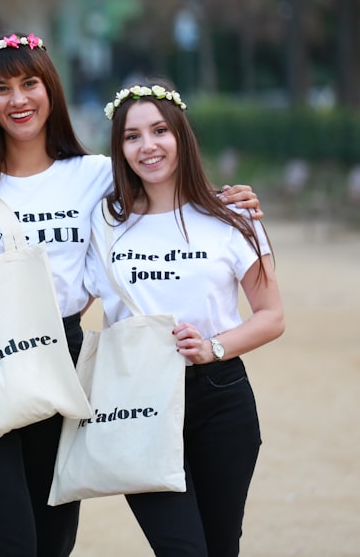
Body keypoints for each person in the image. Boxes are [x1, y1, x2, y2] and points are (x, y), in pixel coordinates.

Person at [0, 33, 262, 557]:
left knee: (53, 538)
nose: (18, 99)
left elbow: (162, 187)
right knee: (4, 539)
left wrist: (226, 199)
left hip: (63, 361)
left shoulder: (95, 176)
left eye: (30, 84)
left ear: (52, 90)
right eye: (1, 89)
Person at [86, 83, 284, 556]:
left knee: (220, 547)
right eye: (132, 137)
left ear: (181, 136)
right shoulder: (102, 222)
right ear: (120, 149)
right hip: (138, 401)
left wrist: (214, 346)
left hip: (220, 399)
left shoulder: (232, 215)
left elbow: (272, 315)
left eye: (159, 131)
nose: (147, 145)